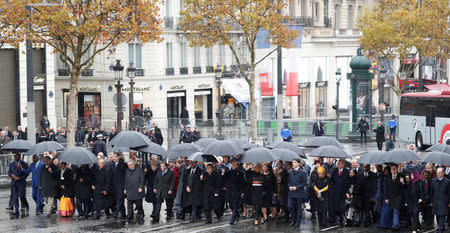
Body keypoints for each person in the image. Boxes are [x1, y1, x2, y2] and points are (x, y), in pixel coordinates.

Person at [288, 158, 307, 227]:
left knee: (298, 208)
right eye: (293, 162)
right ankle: (293, 220)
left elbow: (304, 183)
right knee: (290, 206)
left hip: (299, 193)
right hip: (291, 192)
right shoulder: (290, 172)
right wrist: (289, 186)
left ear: (299, 163)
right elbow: (288, 181)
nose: (293, 164)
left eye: (295, 162)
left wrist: (297, 187)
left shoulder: (302, 172)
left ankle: (298, 221)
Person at [384, 164, 404, 230]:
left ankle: (395, 225)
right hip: (390, 197)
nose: (393, 170)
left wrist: (403, 182)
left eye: (394, 168)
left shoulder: (401, 175)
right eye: (392, 169)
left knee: (396, 210)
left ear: (397, 169)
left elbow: (405, 187)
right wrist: (386, 197)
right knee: (391, 211)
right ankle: (393, 224)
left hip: (398, 196)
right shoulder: (388, 176)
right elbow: (386, 188)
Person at [224, 160, 244, 224]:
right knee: (231, 205)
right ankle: (237, 215)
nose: (234, 166)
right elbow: (224, 179)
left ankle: (232, 220)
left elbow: (242, 183)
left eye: (235, 164)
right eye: (232, 164)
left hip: (237, 192)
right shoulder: (228, 172)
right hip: (230, 191)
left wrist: (242, 192)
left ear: (237, 165)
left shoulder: (240, 173)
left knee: (235, 206)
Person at [330, 159, 349, 226]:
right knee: (336, 206)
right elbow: (331, 180)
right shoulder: (335, 170)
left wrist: (347, 192)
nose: (339, 165)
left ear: (343, 165)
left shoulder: (346, 171)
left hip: (342, 192)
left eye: (340, 164)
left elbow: (347, 183)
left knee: (342, 206)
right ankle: (338, 219)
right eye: (338, 164)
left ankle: (343, 218)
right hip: (335, 192)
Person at [431, 167, 450, 233]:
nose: (437, 174)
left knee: (442, 215)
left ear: (443, 173)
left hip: (444, 201)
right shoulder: (433, 180)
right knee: (437, 215)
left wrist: (449, 202)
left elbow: (449, 192)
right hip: (435, 201)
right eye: (437, 173)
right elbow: (431, 191)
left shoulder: (447, 181)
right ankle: (441, 226)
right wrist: (431, 201)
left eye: (439, 173)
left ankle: (440, 229)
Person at [111, 153, 127, 219]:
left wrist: (125, 186)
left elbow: (126, 176)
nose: (114, 158)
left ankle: (116, 213)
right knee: (120, 201)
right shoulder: (112, 165)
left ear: (118, 157)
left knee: (120, 200)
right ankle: (123, 214)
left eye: (115, 156)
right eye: (113, 156)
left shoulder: (123, 164)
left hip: (121, 185)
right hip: (114, 185)